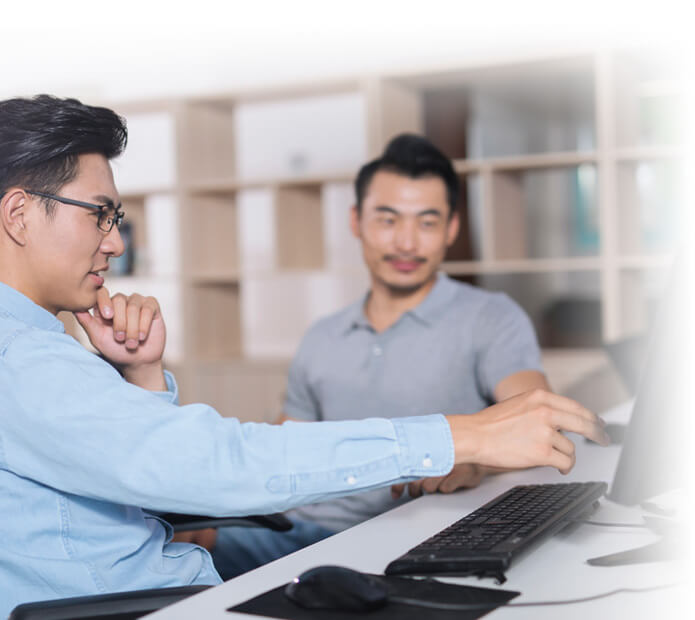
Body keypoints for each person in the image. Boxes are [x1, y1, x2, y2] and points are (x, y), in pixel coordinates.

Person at [0, 96, 607, 616]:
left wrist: (141, 375)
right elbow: (216, 462)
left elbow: (141, 473)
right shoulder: (25, 360)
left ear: (450, 228)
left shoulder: (43, 351)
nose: (116, 241)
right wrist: (457, 435)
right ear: (20, 214)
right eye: (101, 214)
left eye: (118, 217)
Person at [210, 134, 556, 577]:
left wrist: (474, 459)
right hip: (295, 533)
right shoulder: (323, 335)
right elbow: (285, 449)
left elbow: (535, 417)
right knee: (174, 538)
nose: (406, 243)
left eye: (427, 223)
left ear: (452, 228)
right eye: (388, 220)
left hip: (408, 536)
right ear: (356, 221)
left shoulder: (490, 317)